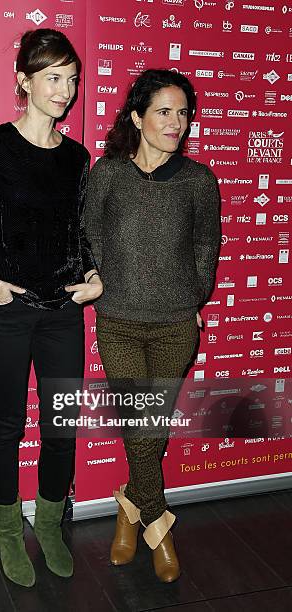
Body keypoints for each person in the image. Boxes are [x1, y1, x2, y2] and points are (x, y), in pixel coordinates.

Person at [0, 28, 102, 587]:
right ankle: (8, 531)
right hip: (5, 310)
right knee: (8, 424)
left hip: (62, 310)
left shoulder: (77, 157)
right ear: (24, 81)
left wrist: (91, 274)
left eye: (72, 79)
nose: (65, 90)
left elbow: (80, 234)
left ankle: (51, 523)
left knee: (61, 425)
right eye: (53, 78)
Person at [85, 69, 221, 582]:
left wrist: (195, 293)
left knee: (150, 428)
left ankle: (127, 507)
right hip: (118, 321)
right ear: (137, 117)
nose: (177, 122)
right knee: (141, 424)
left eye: (183, 112)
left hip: (174, 326)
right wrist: (100, 281)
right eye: (164, 111)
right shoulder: (109, 174)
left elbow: (207, 245)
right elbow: (89, 237)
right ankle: (158, 525)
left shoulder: (198, 181)